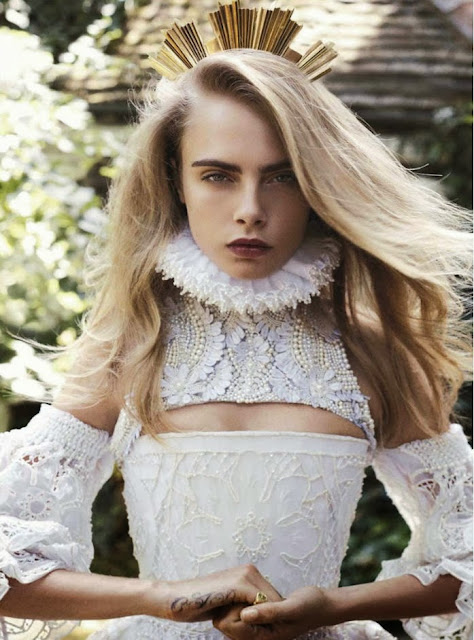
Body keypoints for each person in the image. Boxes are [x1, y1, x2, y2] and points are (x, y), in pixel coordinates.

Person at [0, 2, 472, 639]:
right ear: (177, 182)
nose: (250, 209)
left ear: (316, 186)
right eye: (219, 176)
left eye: (282, 178)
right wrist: (164, 597)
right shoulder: (129, 343)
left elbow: (466, 555)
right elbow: (10, 567)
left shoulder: (370, 351)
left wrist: (336, 606)